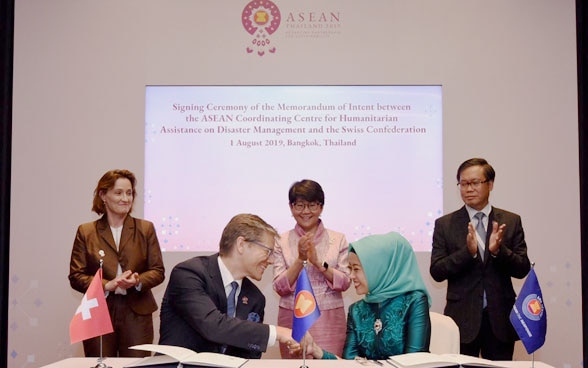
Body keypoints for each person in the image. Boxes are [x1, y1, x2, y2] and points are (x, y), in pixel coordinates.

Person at [158, 213, 299, 359]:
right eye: (267, 251)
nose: (271, 260)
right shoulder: (189, 274)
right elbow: (212, 326)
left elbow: (248, 353)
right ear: (241, 245)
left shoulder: (255, 298)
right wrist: (278, 333)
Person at [430, 158, 531, 360]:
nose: (468, 188)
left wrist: (498, 251)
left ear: (490, 184)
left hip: (500, 320)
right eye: (463, 183)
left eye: (475, 183)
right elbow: (437, 271)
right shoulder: (445, 224)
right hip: (461, 320)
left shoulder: (510, 221)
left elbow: (522, 268)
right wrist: (467, 252)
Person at [69, 169, 165, 357]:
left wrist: (137, 281)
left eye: (129, 193)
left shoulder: (145, 229)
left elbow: (158, 270)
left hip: (137, 313)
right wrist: (107, 285)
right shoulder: (86, 231)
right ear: (103, 195)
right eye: (119, 192)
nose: (125, 199)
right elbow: (76, 276)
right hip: (98, 310)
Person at [306, 232, 431, 360]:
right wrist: (318, 352)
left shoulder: (414, 302)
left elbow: (415, 362)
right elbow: (348, 364)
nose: (351, 276)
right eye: (350, 269)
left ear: (378, 268)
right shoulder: (357, 310)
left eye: (356, 269)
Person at [272, 179, 351, 358]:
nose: (306, 211)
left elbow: (345, 282)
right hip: (292, 319)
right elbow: (279, 286)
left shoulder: (338, 239)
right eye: (300, 205)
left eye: (312, 205)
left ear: (321, 207)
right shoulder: (281, 240)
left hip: (329, 322)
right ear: (291, 207)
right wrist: (300, 259)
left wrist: (318, 262)